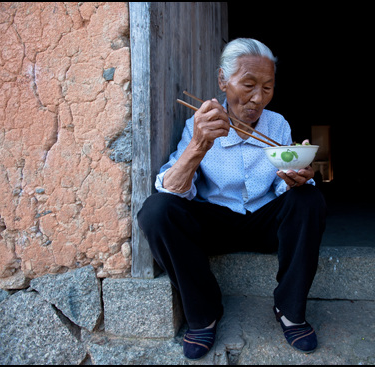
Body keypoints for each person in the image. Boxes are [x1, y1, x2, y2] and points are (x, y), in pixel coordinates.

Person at [137, 38, 327, 360]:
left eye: (268, 88)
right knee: (156, 211)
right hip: (216, 222)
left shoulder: (277, 124)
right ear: (223, 81)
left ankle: (289, 308)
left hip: (265, 219)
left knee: (309, 199)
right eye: (249, 85)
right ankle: (203, 313)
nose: (257, 98)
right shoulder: (200, 122)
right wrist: (198, 144)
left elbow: (283, 188)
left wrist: (295, 179)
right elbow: (170, 188)